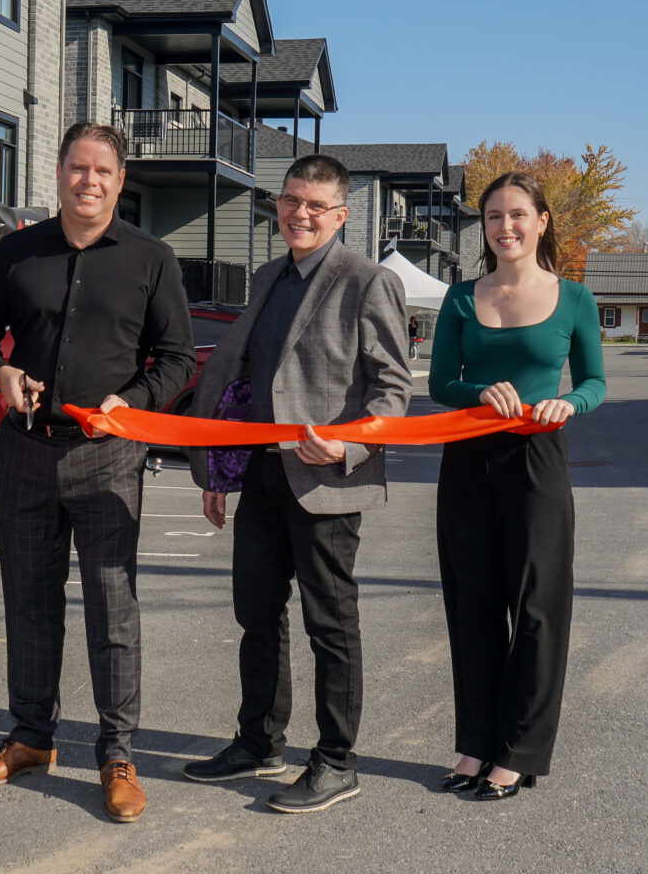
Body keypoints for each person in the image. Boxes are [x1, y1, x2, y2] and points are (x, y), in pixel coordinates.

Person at [0, 121, 196, 824]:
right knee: (28, 603)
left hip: (109, 455)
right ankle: (31, 738)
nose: (88, 181)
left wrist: (137, 402)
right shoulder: (17, 252)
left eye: (102, 171)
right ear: (58, 171)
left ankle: (117, 754)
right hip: (26, 450)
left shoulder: (151, 259)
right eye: (77, 168)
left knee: (111, 610)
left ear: (121, 181)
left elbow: (176, 357)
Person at [183, 154, 411, 814]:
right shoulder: (267, 276)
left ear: (341, 216)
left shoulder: (368, 282)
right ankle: (260, 741)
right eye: (290, 201)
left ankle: (337, 759)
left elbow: (394, 392)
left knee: (329, 623)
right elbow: (248, 383)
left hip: (327, 482)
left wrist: (349, 439)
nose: (299, 214)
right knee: (256, 614)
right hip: (261, 476)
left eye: (315, 206)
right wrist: (218, 469)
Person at [428, 171, 605, 800]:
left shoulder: (575, 298)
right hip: (468, 460)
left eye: (518, 215)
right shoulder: (458, 297)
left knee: (535, 609)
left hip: (538, 459)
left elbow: (594, 382)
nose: (506, 227)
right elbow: (440, 383)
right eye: (495, 216)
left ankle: (520, 751)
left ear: (542, 221)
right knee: (472, 606)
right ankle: (476, 746)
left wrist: (570, 405)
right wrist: (478, 391)